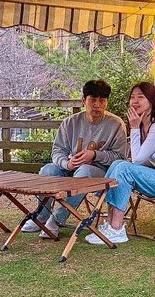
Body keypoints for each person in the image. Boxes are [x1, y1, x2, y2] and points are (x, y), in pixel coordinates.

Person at [85, 81, 155, 245]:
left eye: (141, 97)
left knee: (125, 168)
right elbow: (137, 159)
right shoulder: (144, 125)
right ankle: (110, 224)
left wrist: (133, 128)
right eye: (132, 97)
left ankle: (116, 229)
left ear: (152, 100)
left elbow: (137, 160)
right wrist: (136, 128)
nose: (135, 101)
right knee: (118, 164)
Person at [22, 78, 127, 238]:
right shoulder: (70, 122)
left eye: (102, 100)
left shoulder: (116, 125)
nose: (97, 105)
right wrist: (67, 163)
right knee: (48, 169)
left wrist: (95, 155)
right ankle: (41, 215)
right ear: (84, 100)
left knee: (83, 171)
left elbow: (119, 157)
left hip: (99, 173)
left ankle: (56, 220)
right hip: (70, 168)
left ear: (106, 102)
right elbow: (57, 150)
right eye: (93, 100)